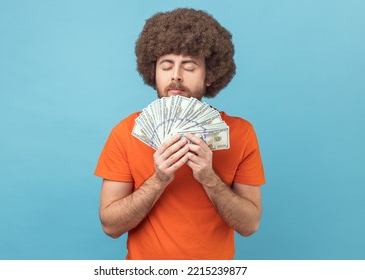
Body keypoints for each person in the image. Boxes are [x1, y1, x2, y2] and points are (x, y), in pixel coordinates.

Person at [94, 8, 265, 260]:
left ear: (210, 75)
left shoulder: (240, 133)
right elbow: (110, 226)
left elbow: (249, 225)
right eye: (166, 66)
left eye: (189, 66)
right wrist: (158, 179)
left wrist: (208, 178)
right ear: (153, 72)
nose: (176, 75)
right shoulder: (126, 132)